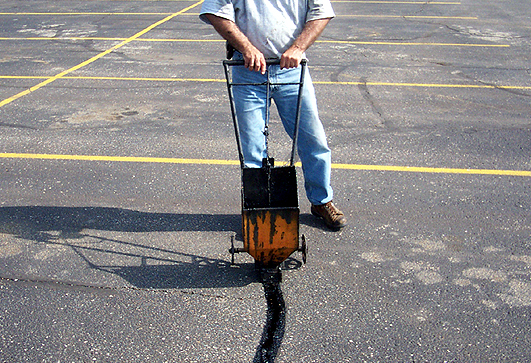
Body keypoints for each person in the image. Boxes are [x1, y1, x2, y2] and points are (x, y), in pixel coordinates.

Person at [200, 0, 347, 229]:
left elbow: (321, 11)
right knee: (253, 149)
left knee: (312, 140)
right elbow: (214, 12)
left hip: (291, 69)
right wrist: (247, 47)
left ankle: (321, 201)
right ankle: (259, 213)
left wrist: (298, 48)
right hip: (247, 70)